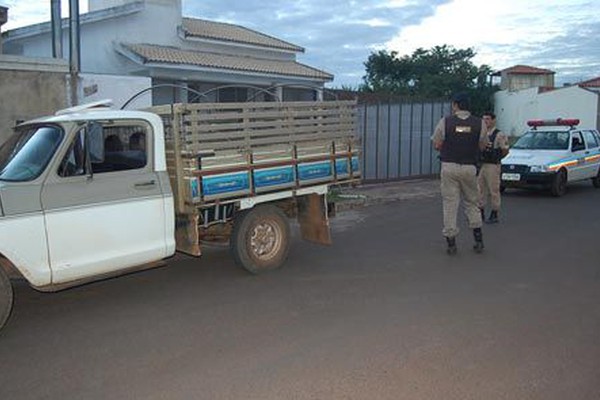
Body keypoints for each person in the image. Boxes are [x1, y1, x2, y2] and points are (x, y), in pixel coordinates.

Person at [432, 93, 488, 255]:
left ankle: (451, 244)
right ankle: (478, 241)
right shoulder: (479, 123)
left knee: (450, 204)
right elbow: (483, 146)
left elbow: (437, 144)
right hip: (470, 167)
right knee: (472, 202)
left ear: (455, 105)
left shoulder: (446, 122)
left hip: (449, 167)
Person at [478, 112, 509, 223]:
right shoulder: (482, 133)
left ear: (493, 120)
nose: (485, 121)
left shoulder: (499, 134)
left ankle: (494, 213)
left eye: (487, 119)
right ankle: (480, 212)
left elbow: (505, 150)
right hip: (483, 164)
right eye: (484, 119)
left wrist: (497, 158)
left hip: (493, 165)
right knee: (480, 189)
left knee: (493, 190)